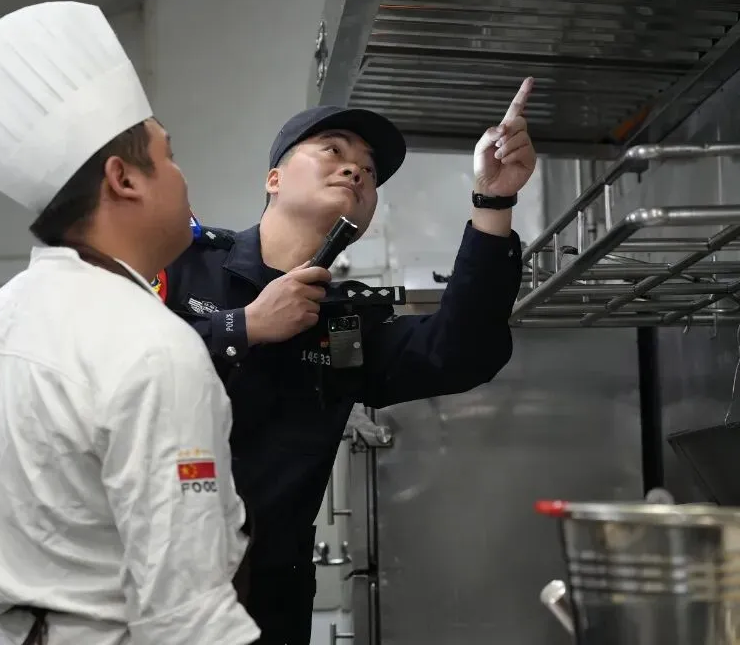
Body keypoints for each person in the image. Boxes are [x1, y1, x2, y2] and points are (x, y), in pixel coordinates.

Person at [157, 79, 537, 644]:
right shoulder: (184, 263)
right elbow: (111, 368)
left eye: (370, 170)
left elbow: (461, 352)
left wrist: (494, 201)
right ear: (274, 179)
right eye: (332, 150)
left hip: (270, 599)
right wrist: (245, 326)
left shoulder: (345, 323)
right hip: (153, 579)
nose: (356, 169)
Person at [0, 1, 259, 645]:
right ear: (124, 179)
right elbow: (186, 616)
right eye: (169, 156)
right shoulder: (151, 344)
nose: (182, 178)